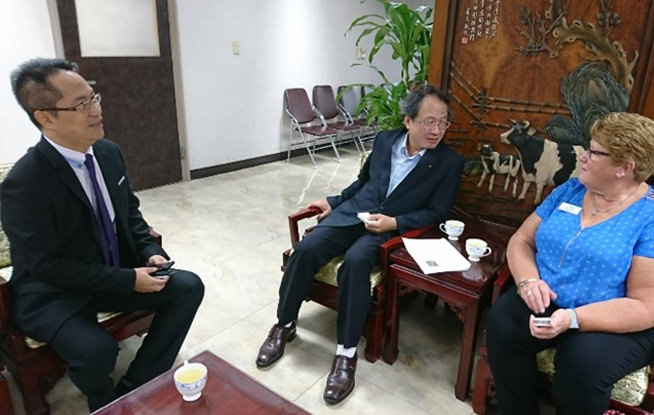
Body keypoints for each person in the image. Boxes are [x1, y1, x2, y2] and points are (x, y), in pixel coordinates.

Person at [1, 58, 205, 412]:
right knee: (96, 351)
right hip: (54, 293)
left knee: (188, 286)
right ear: (45, 117)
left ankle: (135, 390)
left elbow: (130, 214)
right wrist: (129, 280)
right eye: (81, 104)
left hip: (110, 275)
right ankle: (102, 401)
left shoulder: (108, 153)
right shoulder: (25, 182)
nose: (96, 110)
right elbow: (46, 266)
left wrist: (147, 250)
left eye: (93, 97)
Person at [255, 84, 464, 404]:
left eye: (443, 123)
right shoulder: (384, 141)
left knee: (355, 262)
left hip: (388, 230)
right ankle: (283, 325)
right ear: (408, 120)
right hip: (353, 214)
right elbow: (363, 183)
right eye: (429, 122)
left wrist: (394, 223)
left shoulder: (449, 162)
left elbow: (437, 213)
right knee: (306, 249)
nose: (436, 130)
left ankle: (346, 353)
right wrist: (334, 202)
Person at [486, 112, 654, 415]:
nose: (583, 157)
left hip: (613, 317)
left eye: (594, 152)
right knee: (503, 323)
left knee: (581, 364)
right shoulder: (572, 189)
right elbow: (521, 241)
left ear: (625, 168)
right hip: (551, 296)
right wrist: (528, 282)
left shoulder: (649, 217)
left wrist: (574, 318)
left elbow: (645, 306)